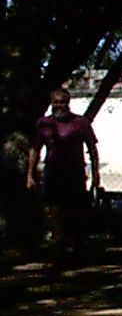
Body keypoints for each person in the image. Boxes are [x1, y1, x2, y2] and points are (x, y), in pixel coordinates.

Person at [27, 87, 100, 265]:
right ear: (51, 103)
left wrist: (96, 173)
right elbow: (35, 149)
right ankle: (58, 251)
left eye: (63, 102)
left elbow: (92, 148)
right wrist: (30, 174)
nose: (60, 105)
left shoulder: (80, 123)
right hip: (54, 173)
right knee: (55, 211)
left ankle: (79, 250)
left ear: (69, 103)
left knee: (78, 212)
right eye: (56, 102)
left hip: (75, 172)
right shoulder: (43, 124)